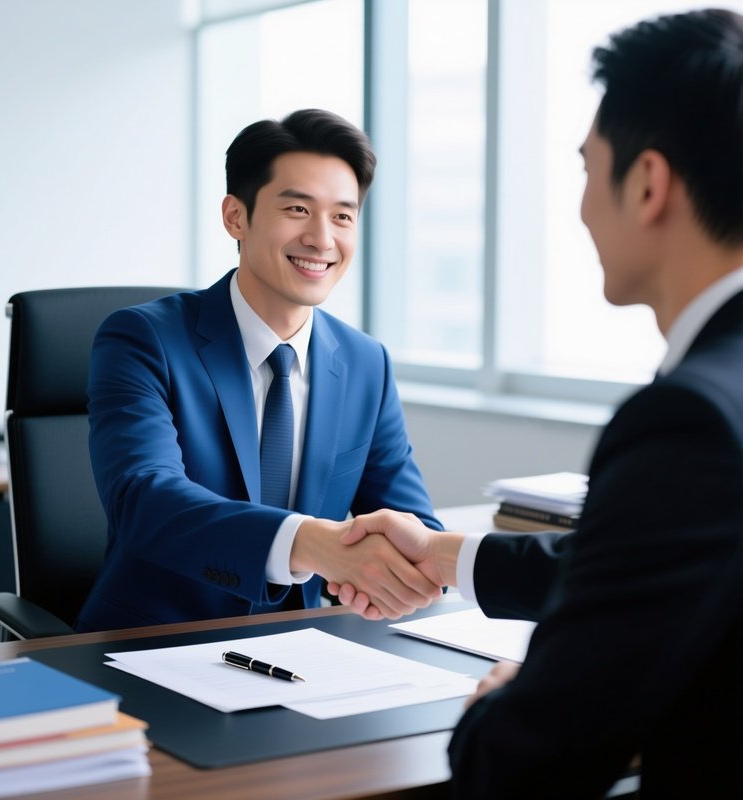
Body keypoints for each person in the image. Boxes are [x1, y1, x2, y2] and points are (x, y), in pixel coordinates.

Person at [330, 8, 743, 798]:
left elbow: (527, 761)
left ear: (647, 184)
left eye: (587, 169)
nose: (581, 207)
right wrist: (443, 555)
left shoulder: (688, 421)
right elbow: (651, 564)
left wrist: (502, 700)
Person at [76, 109, 443, 632]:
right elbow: (145, 499)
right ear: (235, 217)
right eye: (298, 209)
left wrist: (412, 562)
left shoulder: (366, 363)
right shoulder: (143, 339)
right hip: (158, 641)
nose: (322, 239)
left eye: (343, 216)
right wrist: (314, 544)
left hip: (308, 645)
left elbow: (414, 528)